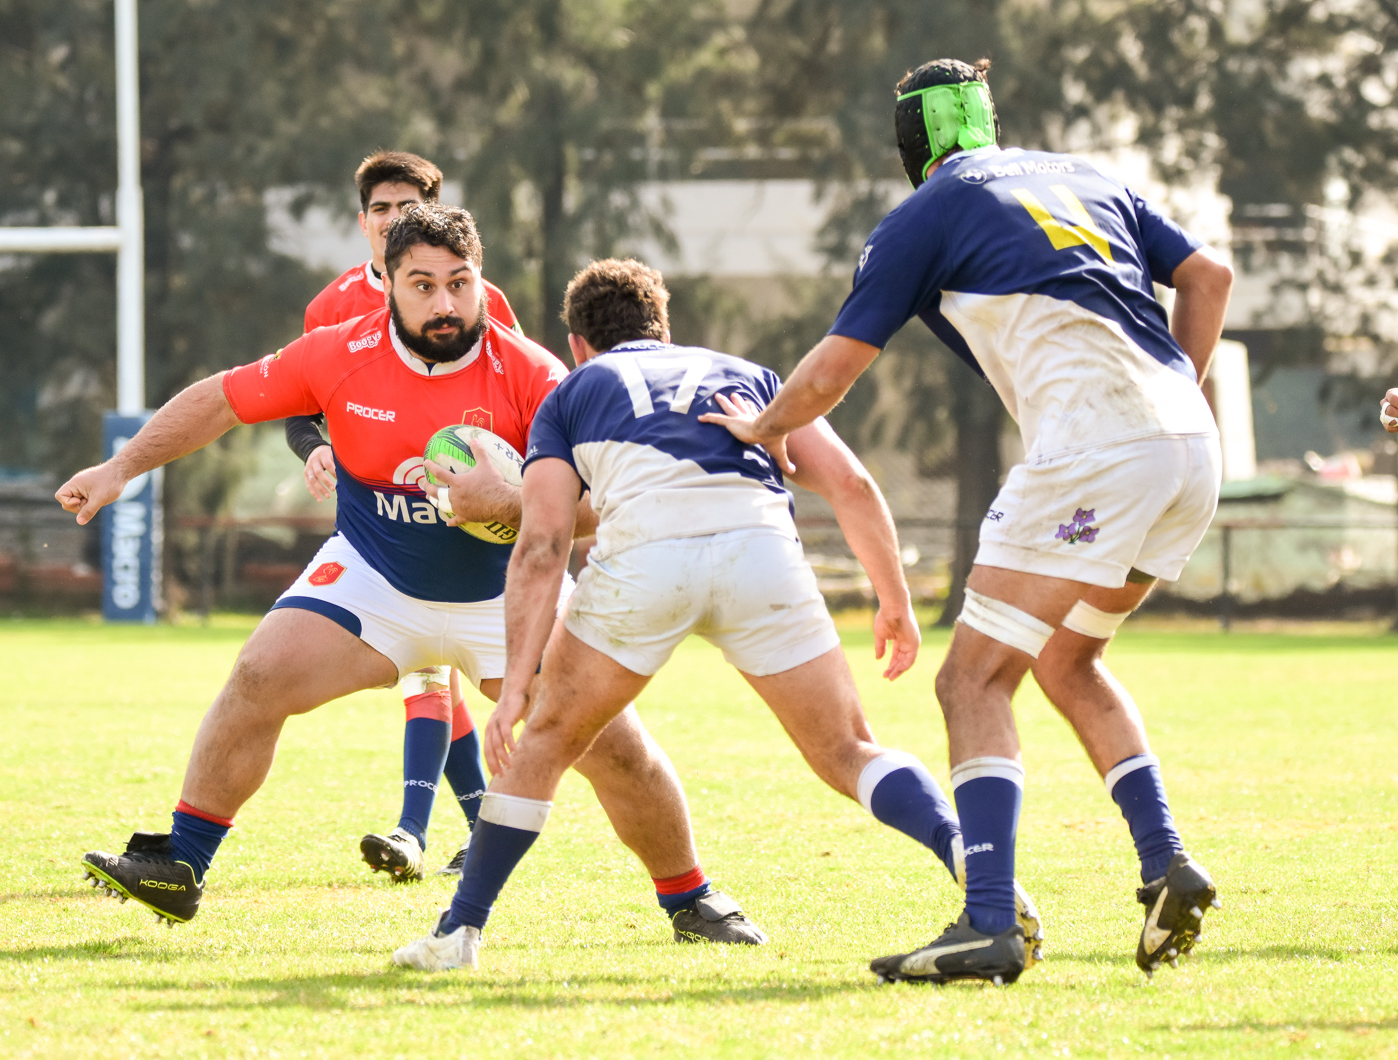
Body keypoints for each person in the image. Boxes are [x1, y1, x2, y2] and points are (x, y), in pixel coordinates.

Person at [57, 206, 765, 945]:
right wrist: (120, 467)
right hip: (374, 575)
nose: (445, 303)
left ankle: (694, 899)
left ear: (482, 281)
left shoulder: (534, 375)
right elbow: (222, 400)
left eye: (460, 283)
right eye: (422, 284)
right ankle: (183, 863)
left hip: (505, 595)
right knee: (259, 675)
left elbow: (598, 503)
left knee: (614, 744)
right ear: (388, 283)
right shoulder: (337, 353)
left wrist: (507, 501)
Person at [703, 57, 1234, 985]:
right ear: (989, 118)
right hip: (1191, 445)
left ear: (912, 143)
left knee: (971, 682)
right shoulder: (1084, 176)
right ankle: (1166, 861)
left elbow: (832, 369)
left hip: (1096, 452)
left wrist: (765, 423)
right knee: (1070, 658)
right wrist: (1172, 403)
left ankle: (988, 918)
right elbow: (1210, 276)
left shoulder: (927, 212)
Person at [392, 258, 1044, 975]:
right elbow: (852, 484)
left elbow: (543, 543)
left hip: (647, 558)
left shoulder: (573, 390)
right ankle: (970, 859)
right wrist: (893, 597)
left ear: (578, 344)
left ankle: (459, 933)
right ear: (665, 330)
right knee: (848, 749)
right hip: (760, 551)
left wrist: (517, 682)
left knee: (545, 738)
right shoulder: (749, 374)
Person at [283, 150, 526, 881]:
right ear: (363, 223)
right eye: (381, 209)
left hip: (469, 522)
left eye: (407, 206)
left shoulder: (479, 297)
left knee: (433, 670)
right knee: (429, 669)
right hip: (377, 519)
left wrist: (503, 489)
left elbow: (514, 398)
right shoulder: (328, 308)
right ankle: (468, 824)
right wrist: (316, 448)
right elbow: (298, 406)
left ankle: (418, 830)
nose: (393, 219)